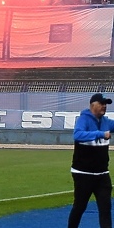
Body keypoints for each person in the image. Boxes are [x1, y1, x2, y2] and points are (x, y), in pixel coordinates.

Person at [68, 93, 114, 228]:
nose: (104, 106)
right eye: (102, 103)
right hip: (83, 173)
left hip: (102, 174)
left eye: (106, 104)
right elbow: (77, 134)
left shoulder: (106, 122)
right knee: (79, 207)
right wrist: (100, 134)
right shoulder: (84, 119)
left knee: (105, 209)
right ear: (93, 105)